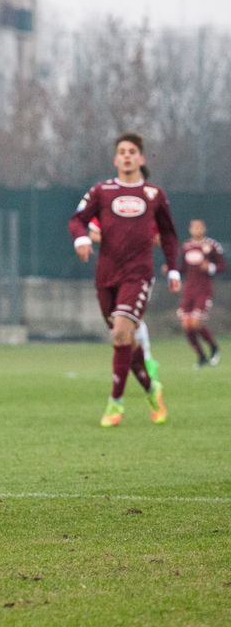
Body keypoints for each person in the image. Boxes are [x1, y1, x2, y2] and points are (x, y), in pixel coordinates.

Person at [69, 132, 180, 427]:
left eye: (133, 151)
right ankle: (152, 389)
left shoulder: (153, 195)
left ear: (141, 159)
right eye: (122, 151)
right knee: (124, 340)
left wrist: (173, 268)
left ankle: (115, 404)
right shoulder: (102, 191)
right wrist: (80, 239)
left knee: (120, 333)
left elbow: (168, 234)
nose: (127, 155)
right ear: (116, 158)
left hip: (138, 275)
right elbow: (76, 219)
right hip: (106, 275)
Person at [87, 213, 161, 385]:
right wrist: (116, 239)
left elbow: (159, 238)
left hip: (138, 274)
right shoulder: (108, 203)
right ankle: (140, 362)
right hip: (111, 274)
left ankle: (147, 361)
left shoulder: (146, 207)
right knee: (119, 325)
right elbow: (93, 233)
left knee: (131, 320)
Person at [178, 218, 225, 369]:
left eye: (199, 227)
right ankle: (201, 356)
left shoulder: (212, 246)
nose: (197, 230)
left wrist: (210, 267)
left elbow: (222, 266)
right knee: (186, 325)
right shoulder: (186, 247)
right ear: (190, 230)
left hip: (204, 290)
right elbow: (183, 268)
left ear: (204, 229)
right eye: (194, 228)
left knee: (196, 323)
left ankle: (213, 347)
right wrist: (172, 271)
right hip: (189, 291)